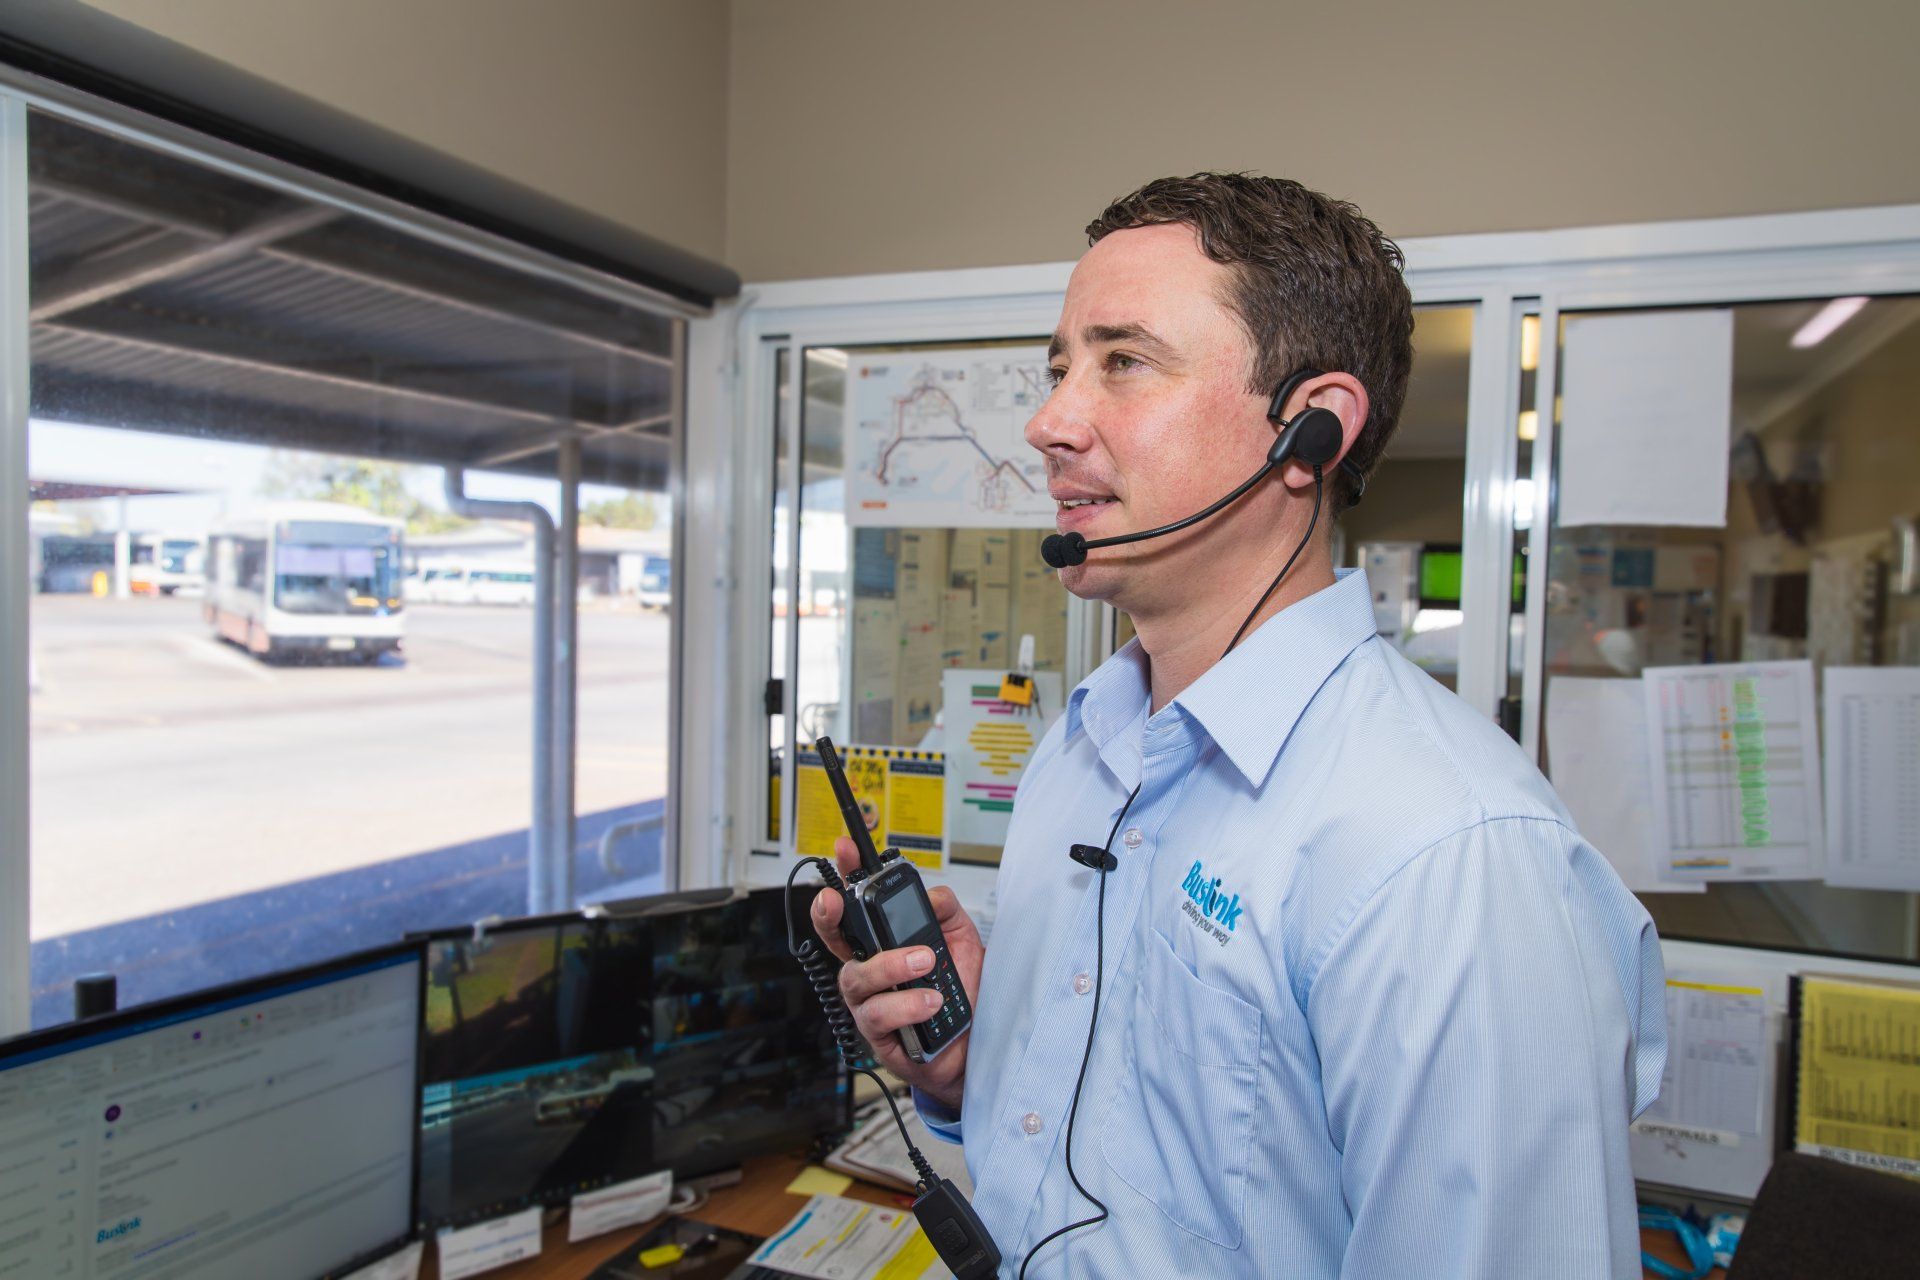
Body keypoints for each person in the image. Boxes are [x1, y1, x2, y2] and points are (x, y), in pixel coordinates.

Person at [813, 173, 1665, 1278]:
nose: (1049, 422)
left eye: (1124, 361)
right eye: (1061, 368)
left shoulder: (1454, 857)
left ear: (1309, 431)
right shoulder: (1080, 751)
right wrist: (970, 1068)